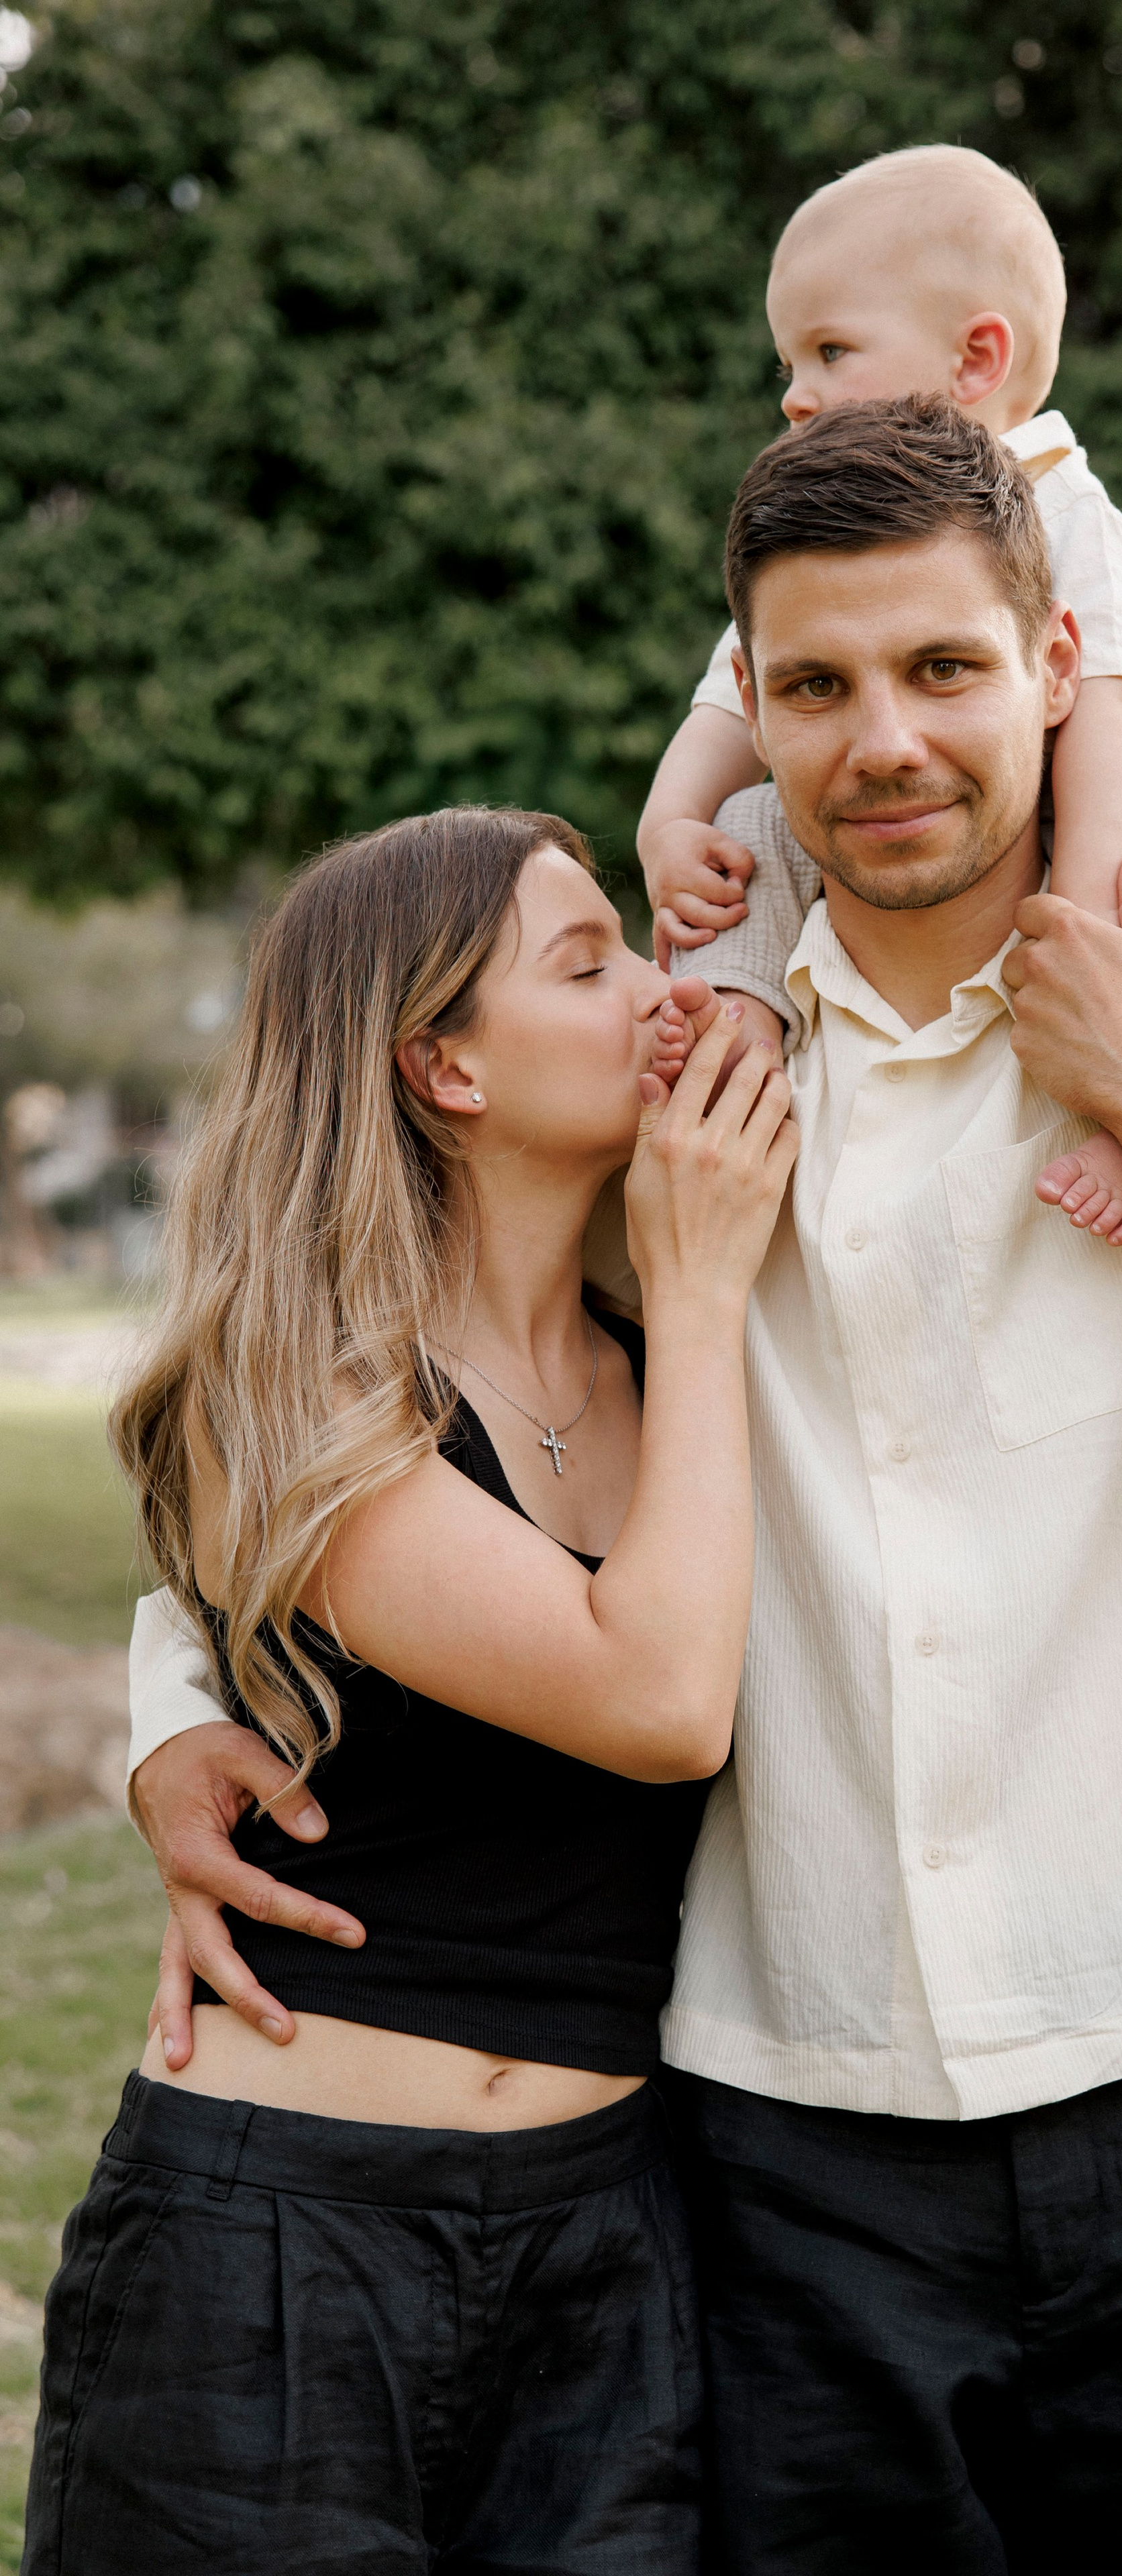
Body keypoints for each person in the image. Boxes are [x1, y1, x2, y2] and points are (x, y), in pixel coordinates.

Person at [128, 400, 1122, 2571]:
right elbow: (381, 1390)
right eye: (818, 685)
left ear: (1058, 666)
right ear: (747, 717)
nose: (886, 740)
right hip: (788, 2141)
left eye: (945, 669)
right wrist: (173, 1714)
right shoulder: (676, 1088)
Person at [23, 806, 797, 2575]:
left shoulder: (656, 1362)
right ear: (442, 1061)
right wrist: (696, 1280)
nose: (661, 993)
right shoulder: (287, 1395)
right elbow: (663, 1699)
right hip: (279, 2256)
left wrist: (681, 1304)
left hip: (616, 2244)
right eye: (586, 964)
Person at [638, 142, 1122, 1250]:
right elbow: (727, 711)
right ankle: (732, 1043)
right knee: (747, 823)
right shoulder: (818, 545)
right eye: (789, 360)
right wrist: (665, 830)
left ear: (978, 360)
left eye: (830, 349)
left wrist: (1070, 935)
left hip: (1115, 805)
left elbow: (1110, 724)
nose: (795, 390)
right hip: (961, 816)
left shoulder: (1075, 520)